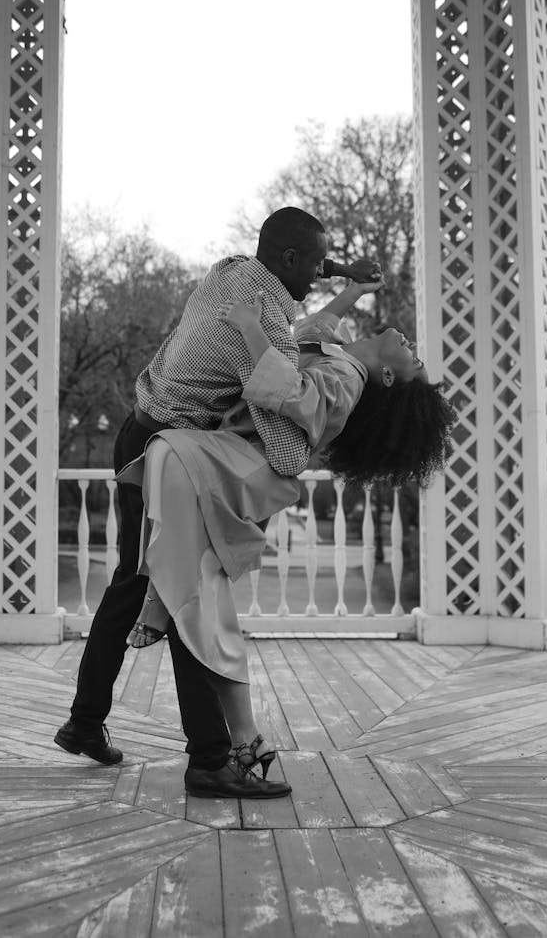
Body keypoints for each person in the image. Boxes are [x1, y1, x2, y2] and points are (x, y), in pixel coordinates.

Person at [54, 206, 381, 799]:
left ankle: (86, 722)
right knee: (184, 593)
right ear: (287, 262)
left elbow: (294, 275)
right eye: (313, 266)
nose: (317, 278)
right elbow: (284, 448)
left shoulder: (233, 271)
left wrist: (343, 276)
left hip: (145, 434)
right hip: (166, 455)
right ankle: (206, 759)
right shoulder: (261, 328)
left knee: (137, 582)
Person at [124, 276, 456, 781]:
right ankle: (244, 733)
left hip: (243, 469)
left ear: (387, 377)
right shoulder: (341, 355)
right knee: (201, 575)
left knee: (173, 474)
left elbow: (294, 391)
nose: (413, 347)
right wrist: (350, 293)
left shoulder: (349, 379)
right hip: (226, 461)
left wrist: (250, 327)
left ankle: (236, 724)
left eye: (414, 361)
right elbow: (311, 332)